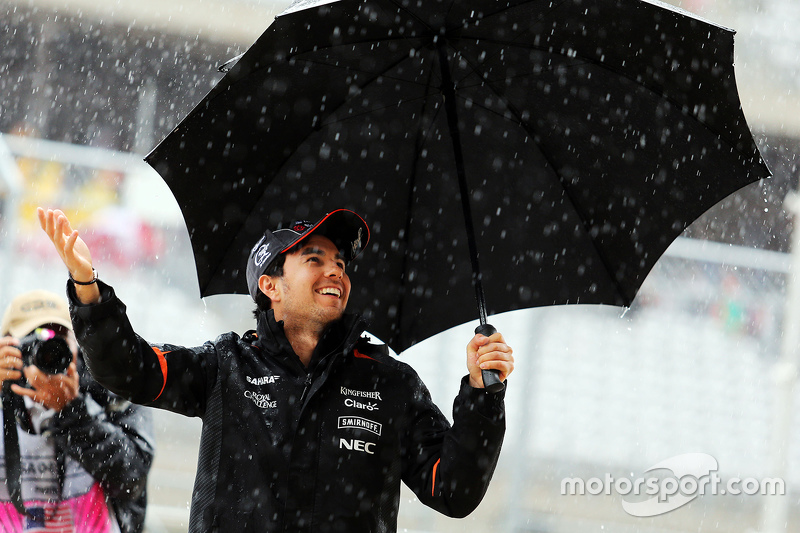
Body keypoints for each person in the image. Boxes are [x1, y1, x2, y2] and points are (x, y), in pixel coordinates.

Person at [38, 206, 515, 532]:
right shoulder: (225, 365)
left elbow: (452, 489)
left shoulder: (390, 382)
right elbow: (129, 369)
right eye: (315, 259)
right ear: (271, 285)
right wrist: (87, 290)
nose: (336, 272)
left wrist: (483, 395)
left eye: (341, 263)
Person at [0, 289, 154, 533]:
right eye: (33, 340)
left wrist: (71, 411)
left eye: (58, 339)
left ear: (76, 343)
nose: (47, 350)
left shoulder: (111, 390)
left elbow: (131, 478)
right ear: (9, 347)